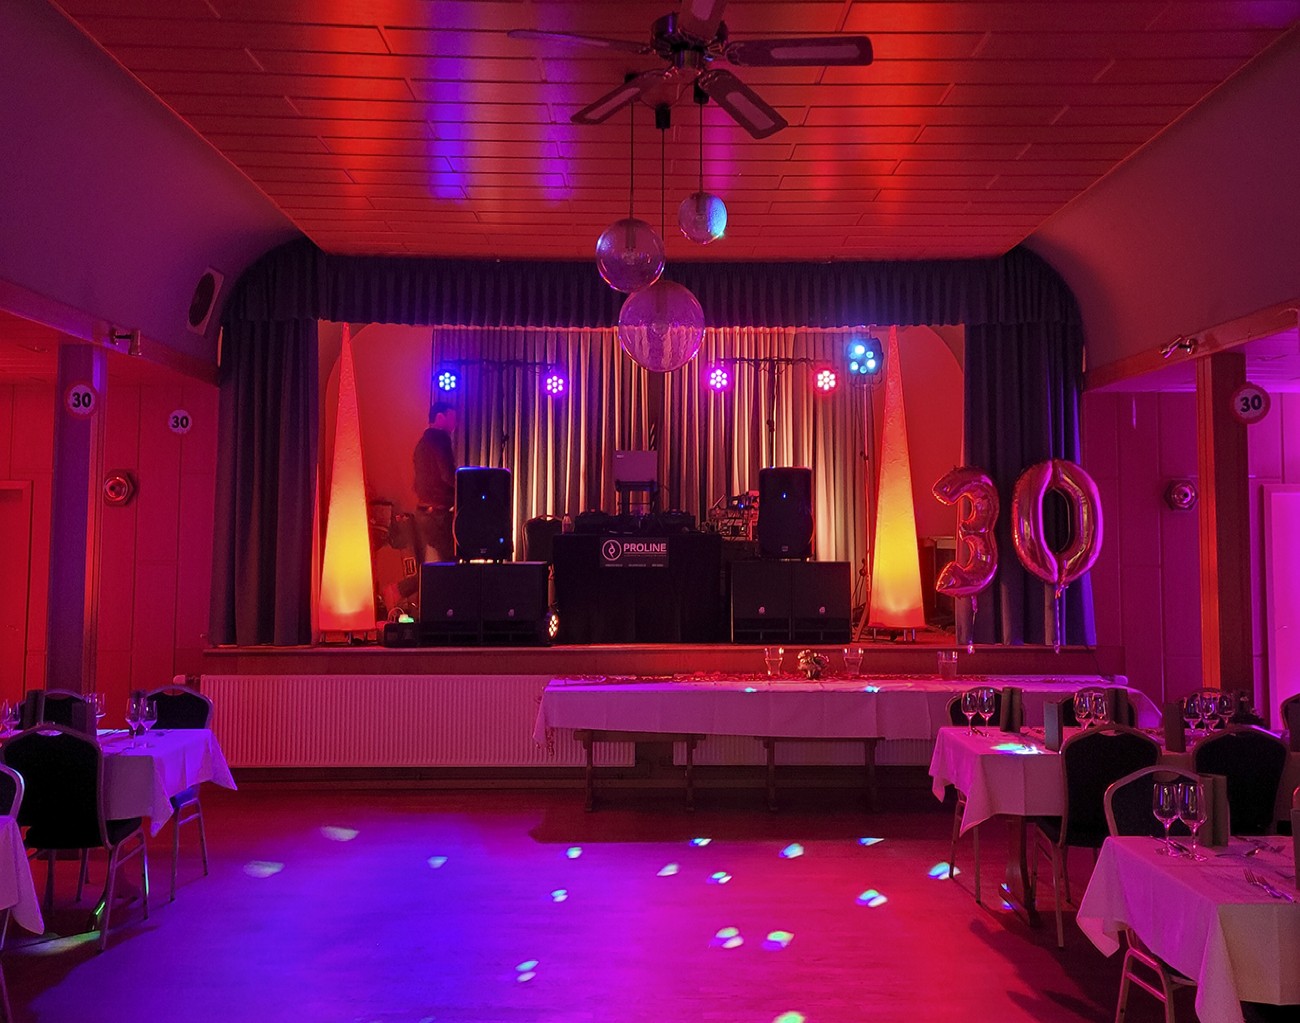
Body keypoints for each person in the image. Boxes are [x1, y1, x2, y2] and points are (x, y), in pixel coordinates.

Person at [413, 402, 458, 562]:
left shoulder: (421, 443)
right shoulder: (440, 439)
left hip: (423, 511)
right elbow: (447, 475)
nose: (454, 423)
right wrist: (464, 491)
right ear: (440, 417)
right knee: (448, 564)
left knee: (430, 565)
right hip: (438, 514)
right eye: (451, 418)